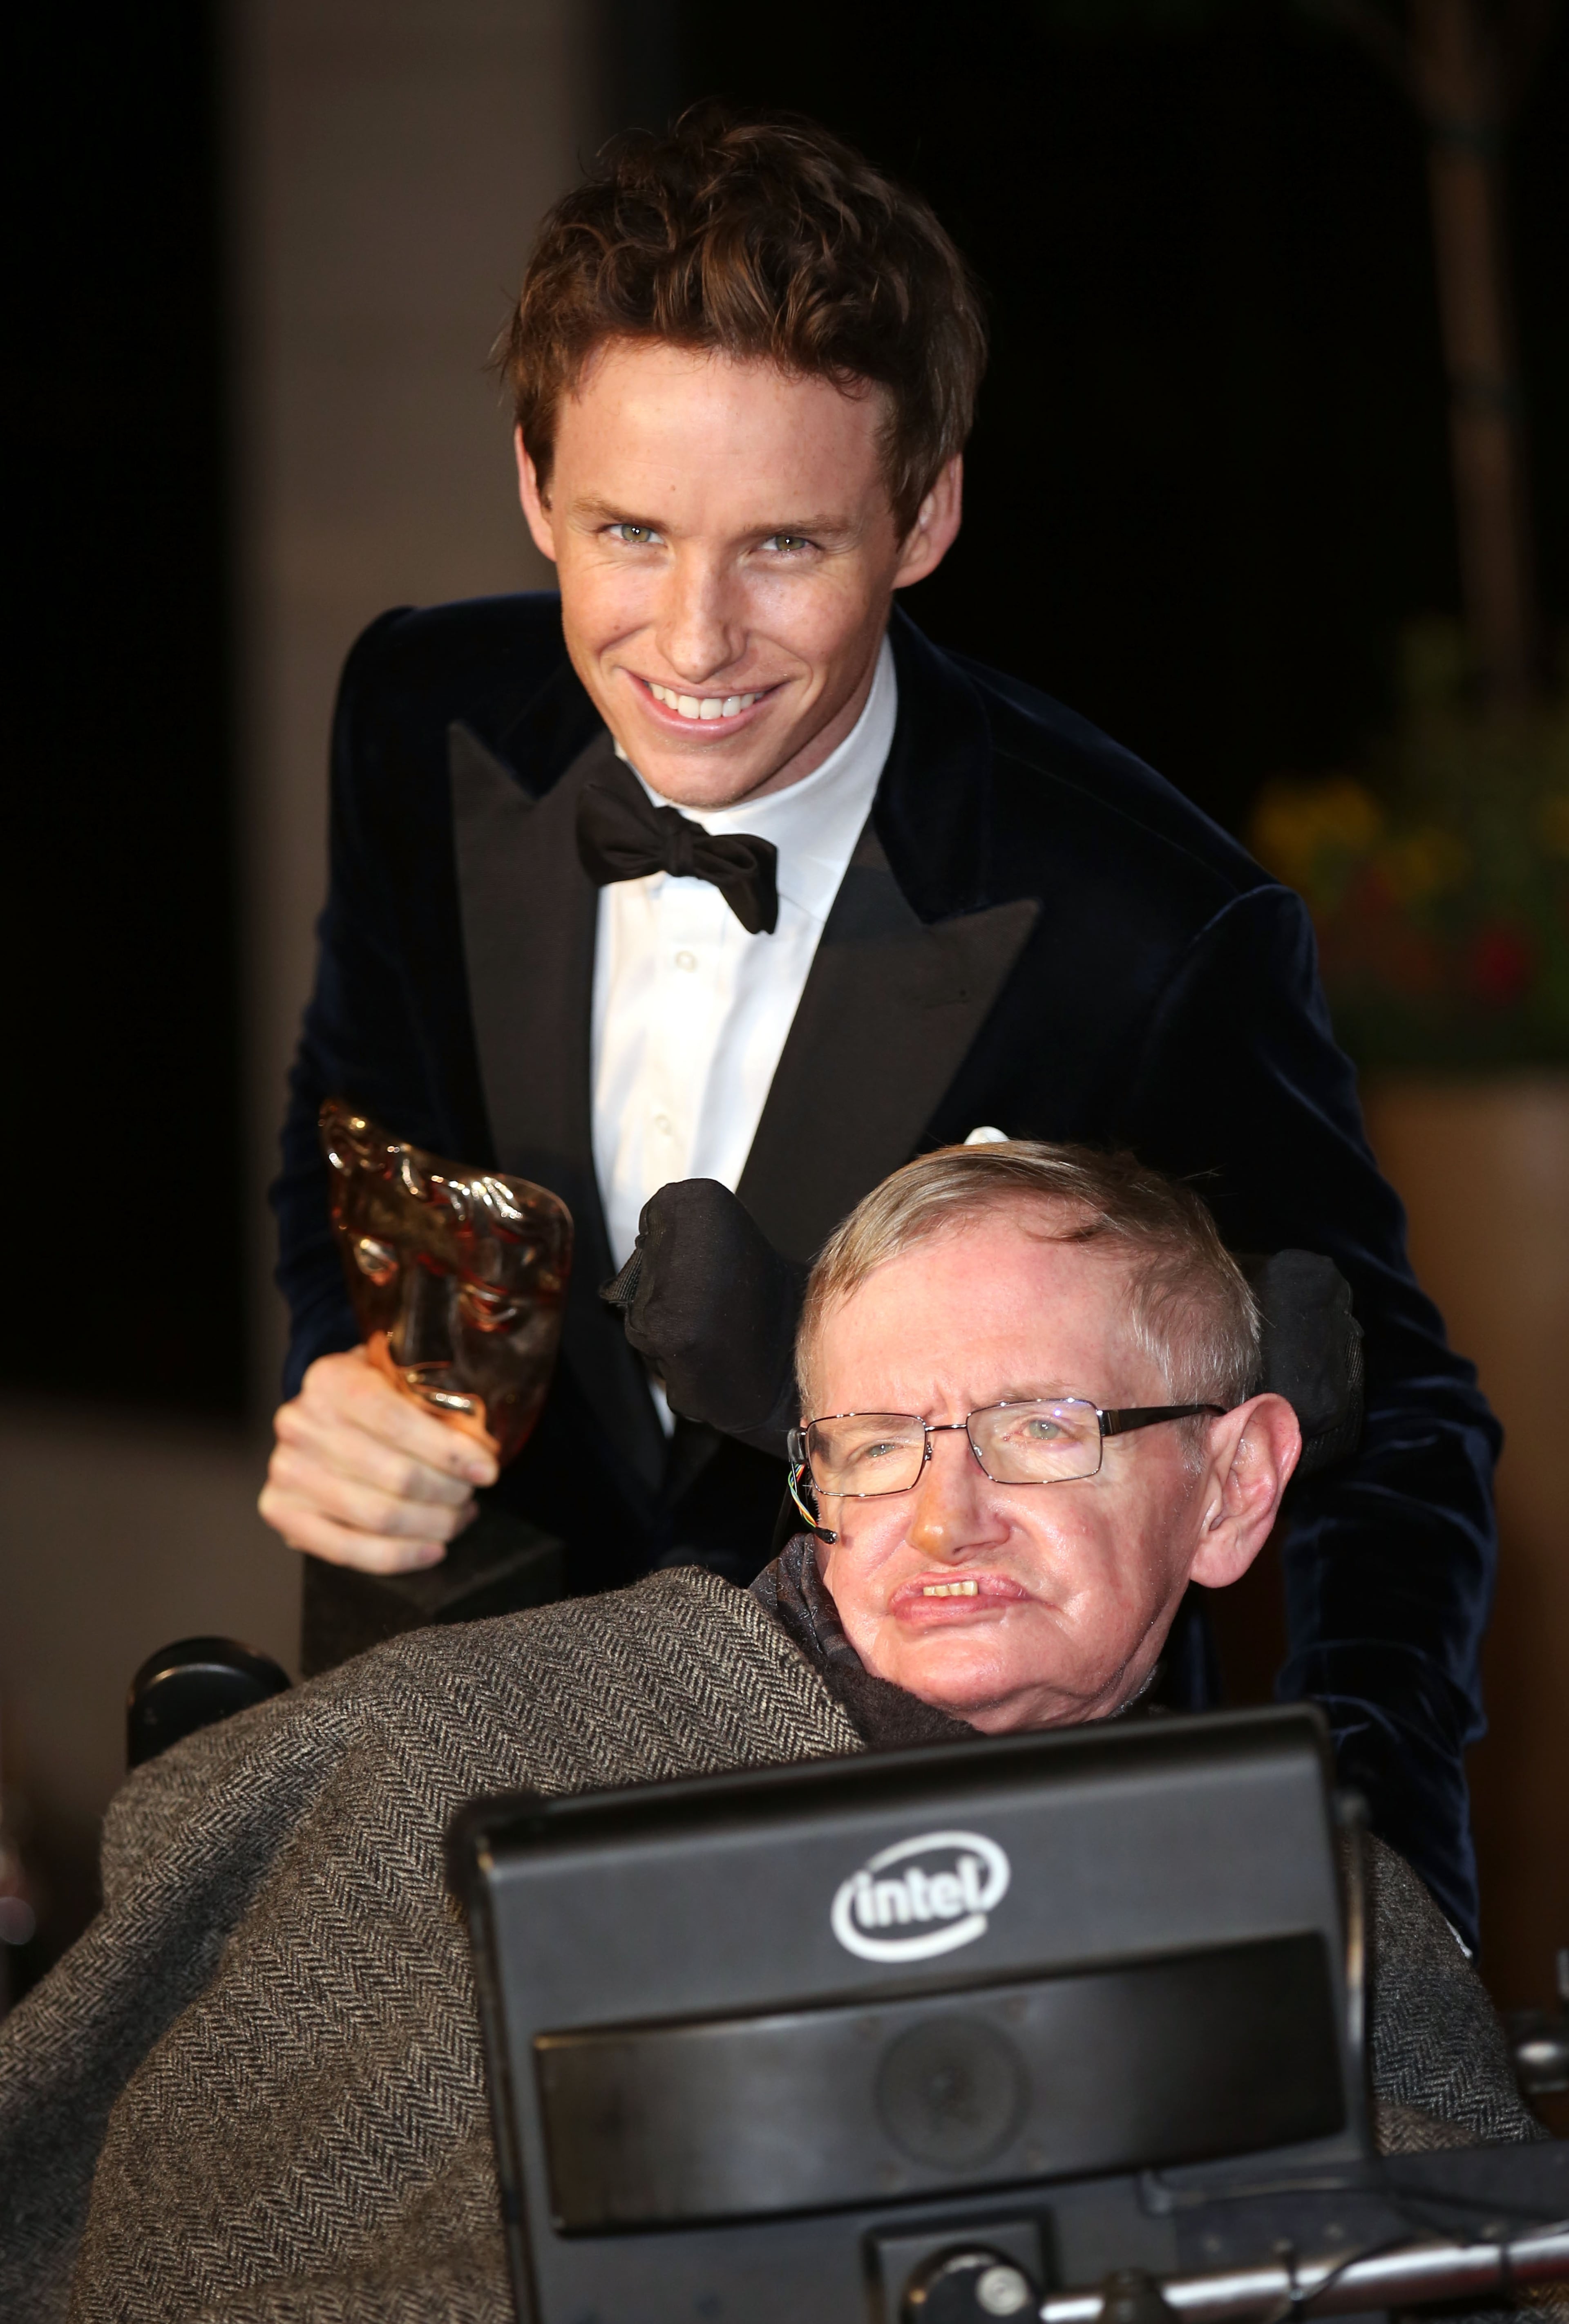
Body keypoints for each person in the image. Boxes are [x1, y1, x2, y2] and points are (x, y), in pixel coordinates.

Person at [260, 105, 1497, 1944]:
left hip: (965, 1849)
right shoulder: (417, 713)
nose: (694, 640)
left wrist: (1372, 1902)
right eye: (628, 531)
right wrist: (351, 1372)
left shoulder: (1150, 920)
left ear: (924, 517)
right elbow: (351, 1126)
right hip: (478, 1775)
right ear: (532, 485)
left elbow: (1391, 1428)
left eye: (785, 545)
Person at [2, 1144, 1533, 2322]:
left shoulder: (1315, 1889)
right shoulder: (453, 1737)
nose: (945, 1518)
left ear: (1235, 1487)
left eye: (1039, 1429)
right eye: (874, 1447)